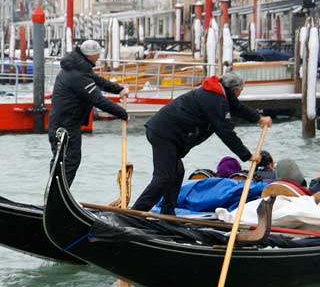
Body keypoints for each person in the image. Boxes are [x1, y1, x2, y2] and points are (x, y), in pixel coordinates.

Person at [131, 72, 272, 215]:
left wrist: (259, 118)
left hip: (167, 134)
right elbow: (225, 132)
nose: (238, 96)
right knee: (164, 178)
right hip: (164, 134)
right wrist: (247, 155)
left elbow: (237, 107)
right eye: (240, 92)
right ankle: (135, 213)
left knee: (177, 172)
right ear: (235, 90)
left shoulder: (219, 94)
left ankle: (167, 213)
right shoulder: (215, 99)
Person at [48, 39, 129, 186]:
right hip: (65, 126)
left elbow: (97, 80)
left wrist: (118, 89)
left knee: (63, 160)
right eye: (97, 54)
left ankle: (54, 196)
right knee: (69, 160)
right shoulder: (77, 75)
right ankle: (56, 197)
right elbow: (98, 99)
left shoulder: (79, 67)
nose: (99, 57)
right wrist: (123, 113)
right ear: (90, 55)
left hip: (65, 123)